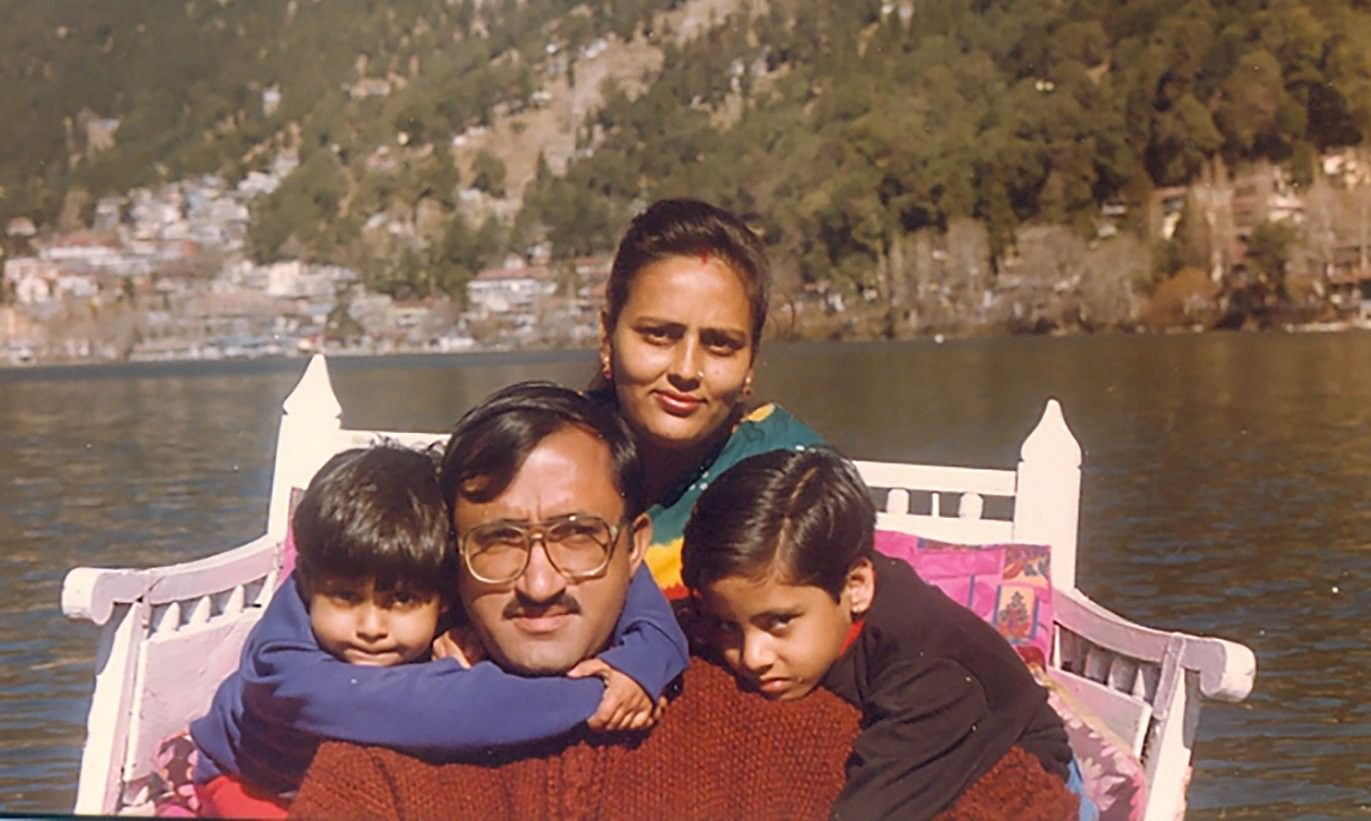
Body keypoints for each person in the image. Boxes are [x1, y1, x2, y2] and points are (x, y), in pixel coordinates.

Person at [291, 383, 1077, 819]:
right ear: (450, 565)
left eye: (576, 535)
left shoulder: (778, 714)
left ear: (635, 545)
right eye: (498, 542)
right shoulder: (382, 757)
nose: (537, 583)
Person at [186, 440, 687, 817]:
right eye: (343, 598)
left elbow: (627, 565)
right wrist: (593, 696)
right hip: (249, 781)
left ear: (445, 589)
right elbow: (450, 709)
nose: (369, 627)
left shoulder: (413, 570)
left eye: (400, 600)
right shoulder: (283, 668)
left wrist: (644, 657)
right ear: (312, 581)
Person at [681, 447, 1082, 821]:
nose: (753, 656)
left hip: (1022, 771)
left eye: (780, 622)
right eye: (727, 625)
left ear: (856, 586)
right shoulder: (822, 590)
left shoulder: (925, 670)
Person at [593, 198, 823, 597]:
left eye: (720, 345)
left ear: (751, 361)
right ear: (607, 337)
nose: (685, 370)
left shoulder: (793, 474)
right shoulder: (547, 455)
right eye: (659, 334)